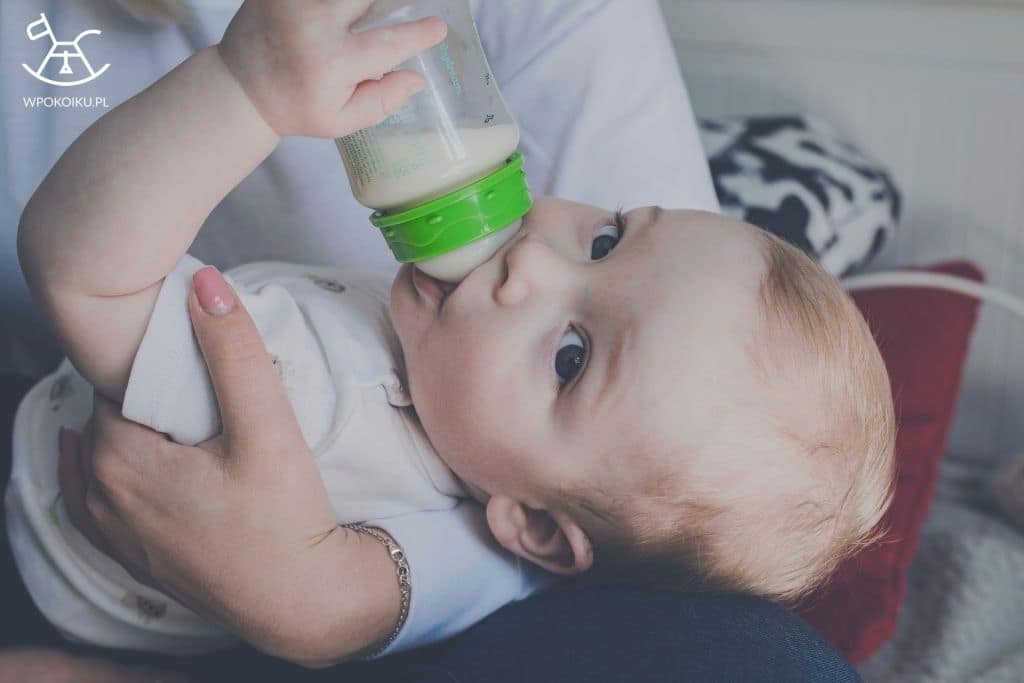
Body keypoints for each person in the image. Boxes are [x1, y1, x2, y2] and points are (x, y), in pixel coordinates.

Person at [1, 0, 867, 680]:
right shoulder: (501, 468)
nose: (533, 259)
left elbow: (82, 270)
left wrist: (244, 92)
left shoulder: (315, 393)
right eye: (605, 238)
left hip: (33, 556)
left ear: (531, 522)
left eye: (571, 359)